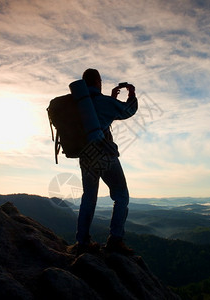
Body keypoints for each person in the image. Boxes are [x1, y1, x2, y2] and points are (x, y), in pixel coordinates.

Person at [74, 68, 138, 256]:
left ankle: (82, 241)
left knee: (89, 197)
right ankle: (115, 240)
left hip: (85, 156)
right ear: (98, 82)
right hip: (104, 155)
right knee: (121, 195)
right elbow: (128, 110)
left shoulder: (77, 105)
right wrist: (132, 93)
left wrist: (110, 97)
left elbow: (98, 121)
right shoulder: (103, 102)